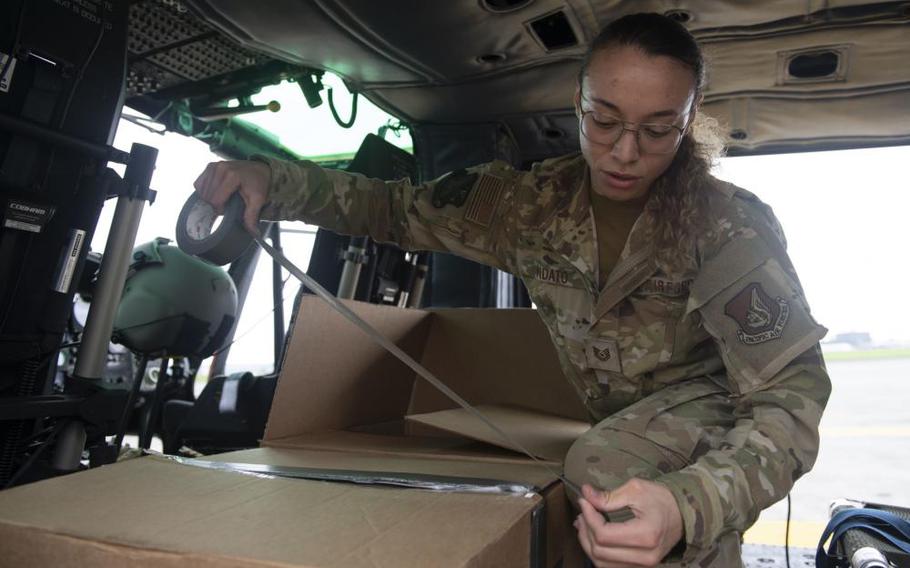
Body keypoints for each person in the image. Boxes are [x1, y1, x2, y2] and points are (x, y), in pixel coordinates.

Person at [194, 13, 830, 567]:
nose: (625, 152)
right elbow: (394, 209)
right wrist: (270, 182)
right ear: (577, 102)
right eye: (603, 120)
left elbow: (791, 397)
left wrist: (689, 505)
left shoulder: (727, 226)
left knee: (605, 466)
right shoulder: (527, 206)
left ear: (689, 122)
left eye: (659, 130)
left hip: (712, 418)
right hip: (615, 420)